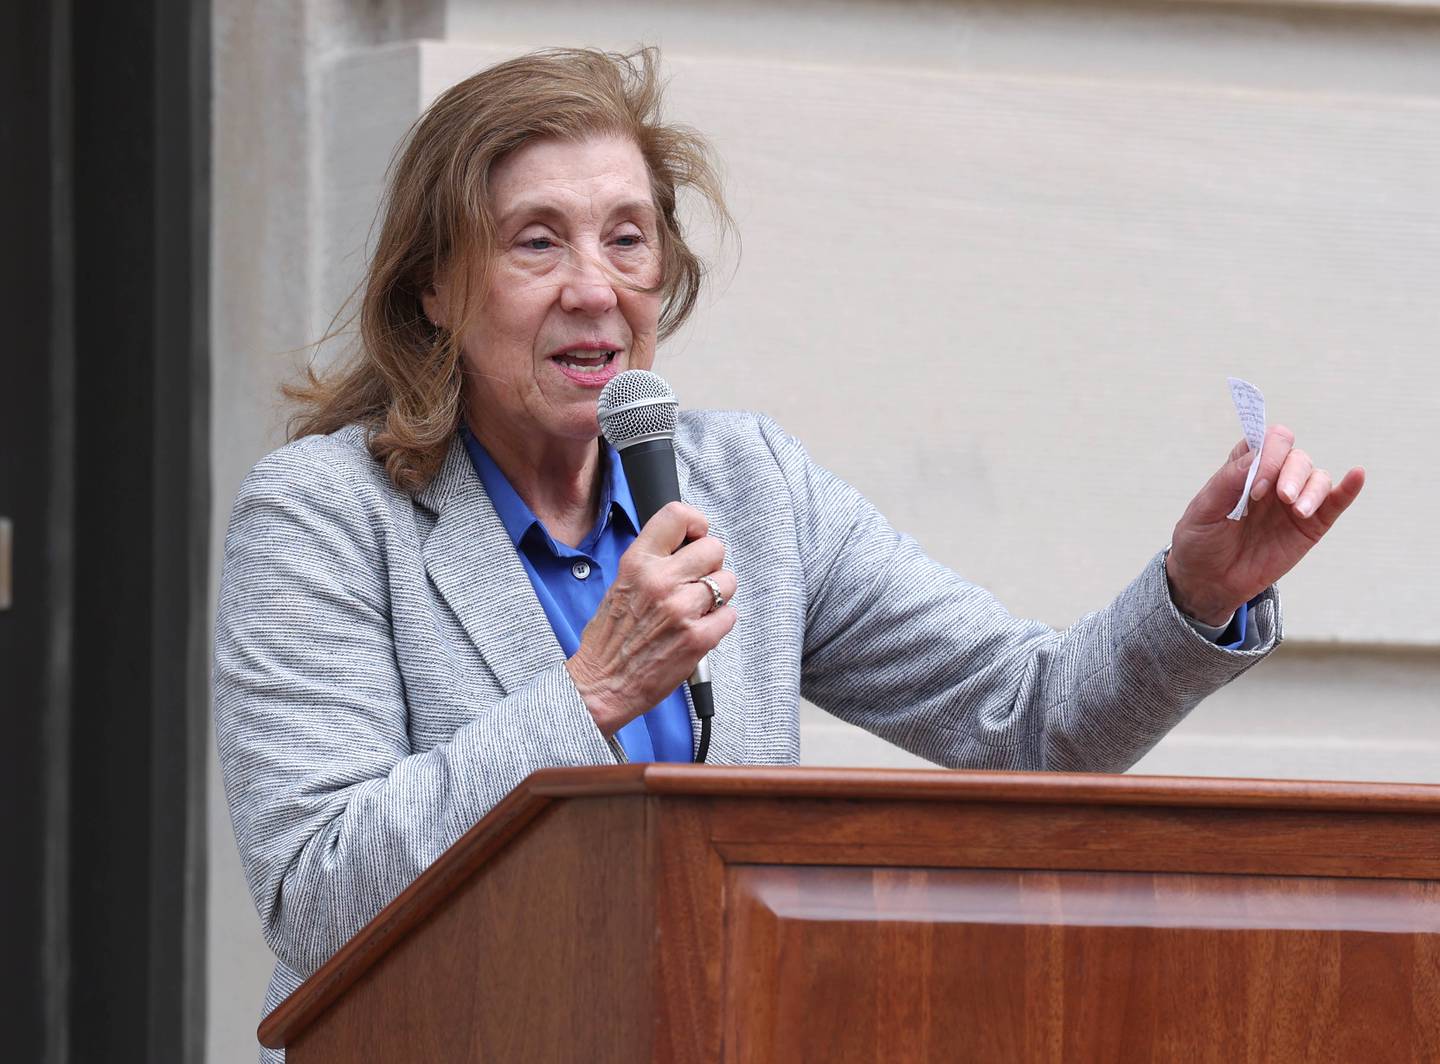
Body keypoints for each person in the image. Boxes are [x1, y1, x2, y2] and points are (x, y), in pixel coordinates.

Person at [214, 47, 1364, 1060]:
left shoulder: (754, 488)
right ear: (434, 286)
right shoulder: (325, 514)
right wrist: (593, 690)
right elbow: (317, 893)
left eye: (628, 237)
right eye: (535, 241)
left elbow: (1027, 717)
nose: (594, 287)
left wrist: (1196, 594)